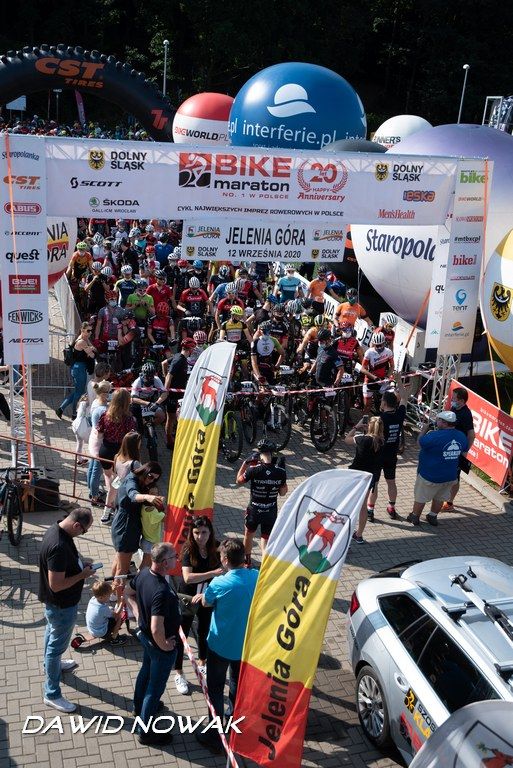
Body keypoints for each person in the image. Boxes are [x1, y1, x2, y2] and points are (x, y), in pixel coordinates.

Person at [192, 539, 258, 754]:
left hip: (220, 645)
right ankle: (235, 720)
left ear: (226, 560)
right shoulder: (256, 577)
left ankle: (214, 734)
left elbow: (206, 602)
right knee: (237, 686)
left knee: (215, 689)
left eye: (221, 556)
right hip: (245, 645)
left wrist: (202, 596)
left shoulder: (219, 583)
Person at [38, 508, 94, 713]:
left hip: (54, 605)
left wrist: (80, 565)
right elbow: (56, 585)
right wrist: (82, 576)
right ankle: (52, 694)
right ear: (76, 525)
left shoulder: (56, 529)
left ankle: (50, 665)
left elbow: (65, 565)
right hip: (62, 605)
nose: (82, 534)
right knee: (55, 648)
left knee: (51, 632)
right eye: (84, 531)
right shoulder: (59, 546)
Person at [128, 542, 180, 747]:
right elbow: (157, 628)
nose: (177, 559)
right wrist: (165, 646)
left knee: (146, 671)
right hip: (158, 646)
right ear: (165, 562)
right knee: (155, 688)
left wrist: (138, 613)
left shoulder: (143, 574)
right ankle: (146, 732)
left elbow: (128, 593)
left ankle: (138, 707)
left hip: (146, 639)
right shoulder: (161, 591)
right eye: (174, 556)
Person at [174, 516, 223, 695]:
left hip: (206, 597)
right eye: (196, 533)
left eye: (204, 532)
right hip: (188, 597)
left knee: (204, 631)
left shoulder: (216, 547)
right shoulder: (188, 549)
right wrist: (213, 573)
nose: (200, 537)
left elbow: (225, 569)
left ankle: (203, 663)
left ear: (210, 532)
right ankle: (179, 672)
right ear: (191, 533)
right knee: (182, 635)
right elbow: (188, 577)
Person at [407, 411, 468, 527]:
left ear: (444, 423)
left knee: (421, 497)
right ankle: (433, 516)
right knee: (440, 497)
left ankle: (415, 516)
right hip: (450, 475)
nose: (436, 421)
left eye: (438, 419)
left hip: (430, 475)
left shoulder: (434, 436)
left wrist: (424, 430)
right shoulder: (461, 436)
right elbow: (464, 450)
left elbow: (419, 443)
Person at [236, 439, 288, 565]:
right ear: (272, 453)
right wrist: (281, 477)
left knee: (249, 534)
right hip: (270, 511)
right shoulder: (280, 471)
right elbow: (283, 493)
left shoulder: (253, 469)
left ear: (259, 454)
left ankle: (247, 563)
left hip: (254, 510)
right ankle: (265, 565)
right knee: (265, 540)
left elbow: (238, 481)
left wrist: (245, 463)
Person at [111, 462, 164, 582]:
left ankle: (111, 588)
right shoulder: (132, 481)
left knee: (119, 561)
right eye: (150, 476)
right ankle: (117, 592)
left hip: (126, 525)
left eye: (155, 479)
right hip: (126, 528)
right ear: (145, 471)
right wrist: (146, 497)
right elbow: (133, 494)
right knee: (122, 569)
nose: (151, 480)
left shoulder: (136, 479)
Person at [371, 372, 409, 521]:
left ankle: (370, 511)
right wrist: (399, 380)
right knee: (391, 482)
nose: (380, 402)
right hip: (391, 455)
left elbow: (373, 439)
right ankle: (391, 507)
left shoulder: (379, 419)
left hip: (377, 455)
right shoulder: (399, 415)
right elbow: (404, 398)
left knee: (374, 484)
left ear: (385, 403)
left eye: (382, 400)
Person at [97, 389, 137, 525]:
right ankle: (106, 513)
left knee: (110, 478)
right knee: (116, 483)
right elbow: (131, 438)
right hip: (119, 454)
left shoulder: (105, 414)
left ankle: (109, 505)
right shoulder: (129, 419)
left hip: (105, 451)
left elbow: (99, 434)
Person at [344, 416, 385, 544]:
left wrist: (356, 427)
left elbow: (347, 439)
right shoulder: (382, 441)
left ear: (369, 426)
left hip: (356, 477)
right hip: (369, 478)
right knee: (363, 507)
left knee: (350, 505)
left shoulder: (361, 439)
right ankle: (359, 535)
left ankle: (345, 534)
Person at [442, 386, 476, 511]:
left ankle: (449, 503)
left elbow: (471, 435)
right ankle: (442, 497)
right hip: (448, 447)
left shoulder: (466, 414)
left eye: (454, 399)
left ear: (461, 401)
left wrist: (465, 451)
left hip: (457, 451)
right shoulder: (454, 408)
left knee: (455, 478)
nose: (452, 400)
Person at [56, 322, 96, 420]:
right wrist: (91, 349)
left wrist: (91, 348)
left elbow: (93, 350)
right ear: (82, 330)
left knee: (78, 391)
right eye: (88, 331)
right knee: (79, 393)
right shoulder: (82, 341)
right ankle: (74, 414)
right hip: (79, 369)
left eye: (91, 331)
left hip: (78, 368)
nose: (90, 333)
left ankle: (61, 409)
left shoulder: (84, 339)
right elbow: (93, 355)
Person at [163, 338, 196, 449]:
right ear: (190, 349)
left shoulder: (177, 356)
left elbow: (163, 363)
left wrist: (164, 376)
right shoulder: (179, 360)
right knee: (173, 418)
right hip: (174, 394)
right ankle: (171, 442)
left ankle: (171, 441)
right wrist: (166, 390)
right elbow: (169, 375)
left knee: (172, 418)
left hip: (179, 393)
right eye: (193, 348)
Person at [86, 380, 111, 507]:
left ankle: (91, 491)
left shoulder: (96, 403)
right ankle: (94, 497)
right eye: (109, 392)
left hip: (93, 439)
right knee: (96, 471)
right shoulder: (103, 410)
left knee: (91, 467)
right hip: (100, 443)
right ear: (105, 394)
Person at [85, 580, 127, 645]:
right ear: (101, 597)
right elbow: (116, 615)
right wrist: (122, 604)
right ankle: (114, 638)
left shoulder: (93, 599)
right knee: (119, 617)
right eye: (108, 595)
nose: (109, 597)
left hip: (92, 628)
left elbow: (103, 592)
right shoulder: (102, 608)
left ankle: (112, 635)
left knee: (110, 609)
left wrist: (112, 589)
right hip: (101, 632)